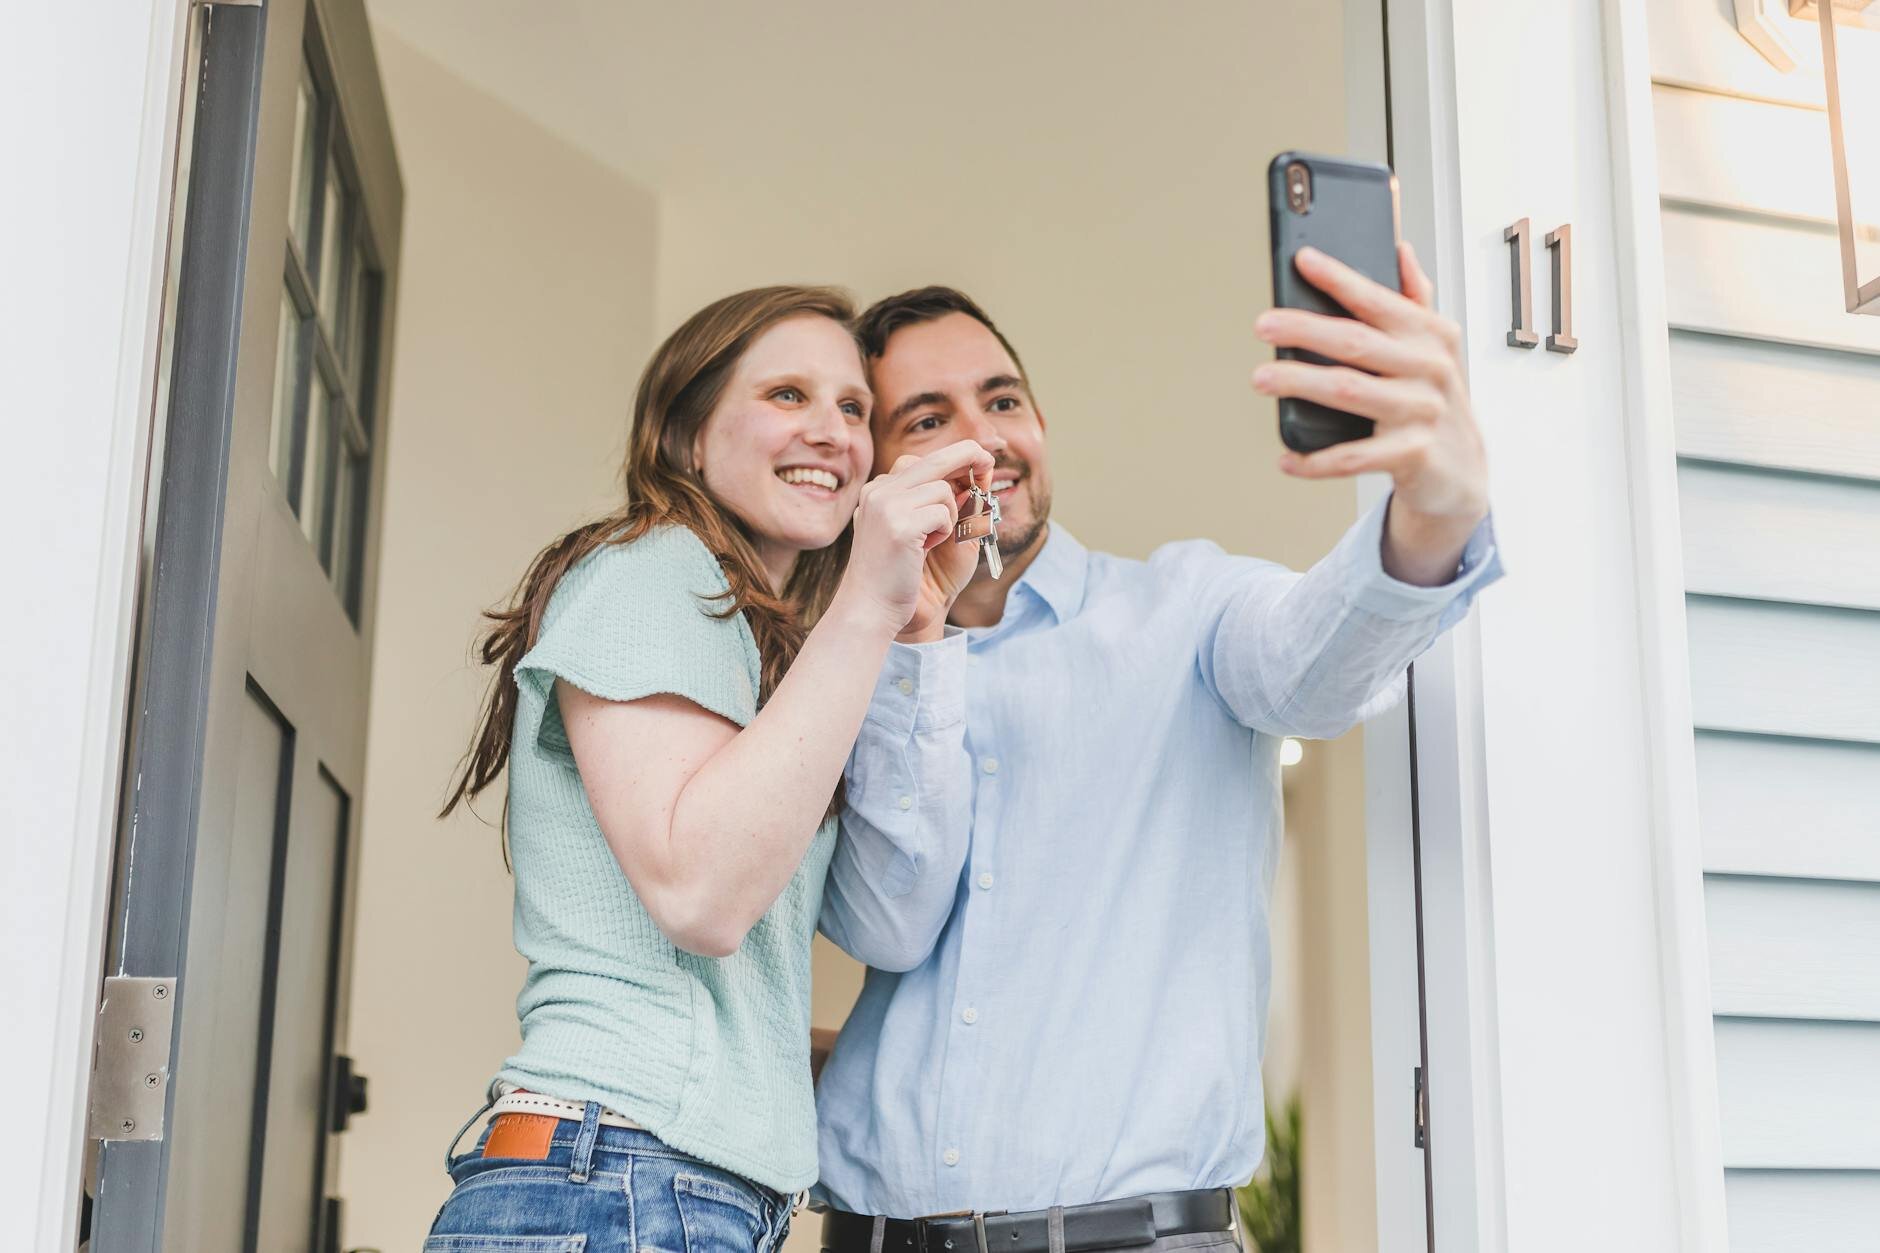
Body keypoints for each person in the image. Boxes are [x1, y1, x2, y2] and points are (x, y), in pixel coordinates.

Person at [814, 244, 1501, 1251]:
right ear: (872, 472)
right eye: (927, 418)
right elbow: (881, 927)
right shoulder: (841, 676)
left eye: (1003, 402)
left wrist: (1433, 509)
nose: (982, 440)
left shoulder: (1187, 608)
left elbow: (1314, 661)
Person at [425, 285, 991, 1249]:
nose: (834, 432)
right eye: (786, 395)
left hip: (664, 1186)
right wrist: (866, 595)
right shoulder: (653, 567)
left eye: (853, 409)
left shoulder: (769, 649)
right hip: (620, 1178)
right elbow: (702, 895)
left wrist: (918, 631)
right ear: (686, 435)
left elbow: (884, 924)